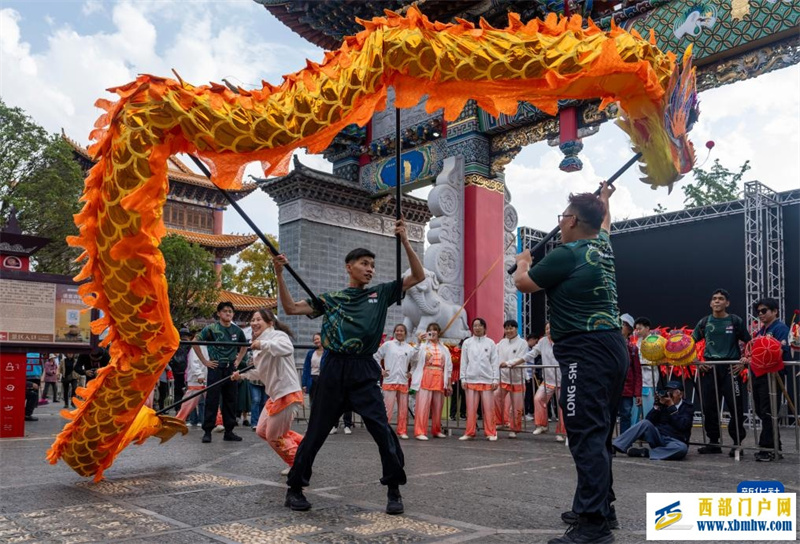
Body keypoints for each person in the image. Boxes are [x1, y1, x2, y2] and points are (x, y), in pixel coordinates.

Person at [275, 218, 424, 515]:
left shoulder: (380, 294)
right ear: (349, 267)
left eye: (372, 265)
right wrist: (278, 273)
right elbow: (291, 308)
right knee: (316, 430)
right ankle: (295, 488)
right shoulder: (331, 300)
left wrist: (405, 240)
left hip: (363, 369)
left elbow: (417, 276)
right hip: (333, 368)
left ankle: (394, 490)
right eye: (364, 263)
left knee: (382, 430)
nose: (370, 269)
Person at [514, 182, 627, 544]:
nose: (560, 223)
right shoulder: (601, 246)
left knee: (585, 434)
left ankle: (592, 524)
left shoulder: (568, 253)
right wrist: (605, 200)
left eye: (563, 217)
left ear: (573, 220)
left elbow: (524, 284)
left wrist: (522, 261)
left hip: (585, 350)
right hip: (610, 346)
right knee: (599, 431)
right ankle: (600, 507)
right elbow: (606, 224)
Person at [233, 309, 304, 476]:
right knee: (261, 431)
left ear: (270, 323)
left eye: (259, 320)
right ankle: (304, 445)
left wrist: (263, 344)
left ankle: (298, 464)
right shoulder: (258, 344)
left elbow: (287, 349)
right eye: (253, 319)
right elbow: (260, 372)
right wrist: (242, 375)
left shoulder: (278, 336)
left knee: (273, 436)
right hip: (275, 395)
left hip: (287, 392)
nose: (254, 323)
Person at [691, 288, 751, 456]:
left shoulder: (735, 321)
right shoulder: (704, 322)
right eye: (714, 298)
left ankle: (737, 443)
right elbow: (688, 343)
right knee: (709, 407)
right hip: (710, 369)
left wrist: (745, 361)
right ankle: (713, 442)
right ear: (710, 303)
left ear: (727, 303)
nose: (717, 301)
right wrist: (696, 361)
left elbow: (750, 343)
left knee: (735, 407)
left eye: (721, 298)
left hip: (731, 370)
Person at [193, 301, 248, 444]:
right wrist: (205, 361)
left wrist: (238, 360)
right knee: (212, 399)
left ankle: (229, 431)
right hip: (215, 367)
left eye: (230, 311)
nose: (228, 313)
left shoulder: (237, 331)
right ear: (218, 313)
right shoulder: (211, 329)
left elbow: (244, 346)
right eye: (225, 311)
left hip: (231, 368)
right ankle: (207, 431)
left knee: (231, 399)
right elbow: (194, 341)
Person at [745, 297, 791, 462]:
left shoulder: (781, 329)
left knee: (768, 412)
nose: (761, 314)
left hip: (772, 377)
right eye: (758, 312)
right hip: (758, 376)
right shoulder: (760, 331)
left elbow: (783, 350)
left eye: (764, 311)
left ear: (775, 311)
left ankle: (768, 449)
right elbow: (752, 352)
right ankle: (775, 446)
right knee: (761, 410)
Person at [612, 381, 693, 460]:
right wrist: (657, 406)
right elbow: (648, 421)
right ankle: (615, 446)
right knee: (644, 423)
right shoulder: (663, 404)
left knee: (682, 449)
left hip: (675, 441)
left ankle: (646, 453)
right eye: (667, 391)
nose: (669, 394)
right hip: (659, 437)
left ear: (680, 394)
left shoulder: (687, 407)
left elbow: (682, 426)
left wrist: (671, 407)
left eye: (672, 392)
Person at [521, 323, 565, 441]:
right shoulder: (542, 341)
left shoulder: (563, 339)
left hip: (563, 379)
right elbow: (532, 353)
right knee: (538, 398)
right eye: (546, 328)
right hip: (548, 379)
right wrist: (517, 361)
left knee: (562, 406)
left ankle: (561, 432)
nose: (548, 330)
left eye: (551, 328)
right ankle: (542, 425)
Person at [459, 317, 499, 442]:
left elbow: (494, 362)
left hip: (487, 380)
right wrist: (463, 378)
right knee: (470, 409)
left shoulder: (491, 343)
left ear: (484, 328)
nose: (477, 328)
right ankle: (469, 432)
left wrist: (495, 379)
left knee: (488, 408)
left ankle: (491, 432)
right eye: (474, 326)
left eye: (479, 325)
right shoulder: (467, 343)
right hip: (471, 379)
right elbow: (464, 361)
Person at [375, 324, 418, 439]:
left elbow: (415, 362)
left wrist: (411, 372)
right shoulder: (388, 345)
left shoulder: (409, 348)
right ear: (394, 332)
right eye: (397, 330)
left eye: (402, 331)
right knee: (387, 408)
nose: (399, 333)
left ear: (405, 333)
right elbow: (376, 356)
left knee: (403, 409)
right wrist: (381, 370)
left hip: (403, 381)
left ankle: (402, 431)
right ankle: (385, 430)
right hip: (389, 380)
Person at [410, 323, 452, 440]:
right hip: (426, 376)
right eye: (430, 330)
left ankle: (436, 430)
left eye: (435, 330)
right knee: (422, 405)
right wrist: (418, 342)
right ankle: (420, 431)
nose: (432, 332)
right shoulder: (422, 347)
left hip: (439, 376)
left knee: (438, 406)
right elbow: (413, 358)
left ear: (439, 333)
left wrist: (448, 384)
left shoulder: (445, 349)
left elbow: (448, 367)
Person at [494, 320, 528, 439]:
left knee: (516, 406)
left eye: (511, 328)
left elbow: (522, 358)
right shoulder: (502, 342)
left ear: (516, 328)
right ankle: (500, 422)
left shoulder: (523, 343)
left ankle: (514, 428)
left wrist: (507, 363)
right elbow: (493, 351)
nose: (508, 331)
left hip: (517, 379)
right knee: (496, 397)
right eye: (506, 328)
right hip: (504, 378)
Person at [617, 314, 642, 434]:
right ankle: (606, 444)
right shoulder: (609, 345)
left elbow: (637, 371)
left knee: (626, 415)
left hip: (626, 389)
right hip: (611, 388)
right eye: (620, 323)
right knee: (608, 415)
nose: (621, 326)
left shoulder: (632, 348)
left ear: (629, 330)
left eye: (624, 324)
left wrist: (638, 393)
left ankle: (623, 442)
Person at [632, 317, 659, 424]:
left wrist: (640, 364)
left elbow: (654, 360)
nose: (637, 331)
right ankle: (633, 434)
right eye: (636, 329)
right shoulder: (638, 341)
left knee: (648, 413)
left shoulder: (655, 341)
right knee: (634, 413)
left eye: (640, 328)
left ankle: (649, 435)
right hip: (638, 382)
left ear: (647, 328)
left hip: (649, 381)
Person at [177, 336, 208, 425]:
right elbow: (194, 362)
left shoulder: (204, 346)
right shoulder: (198, 347)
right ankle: (179, 419)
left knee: (210, 400)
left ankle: (218, 421)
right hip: (198, 379)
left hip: (202, 378)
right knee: (189, 401)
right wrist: (199, 374)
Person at [169, 329, 192, 410]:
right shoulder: (189, 345)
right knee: (188, 391)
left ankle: (177, 408)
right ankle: (185, 410)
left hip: (176, 370)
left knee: (177, 390)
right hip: (187, 371)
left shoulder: (175, 344)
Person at [302, 333, 324, 406]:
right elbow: (306, 368)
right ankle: (313, 417)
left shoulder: (328, 352)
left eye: (318, 339)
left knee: (323, 401)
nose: (316, 341)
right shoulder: (310, 353)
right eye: (314, 340)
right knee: (313, 402)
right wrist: (304, 384)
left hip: (323, 379)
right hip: (312, 379)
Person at [523, 333, 539, 420]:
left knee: (531, 394)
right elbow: (524, 361)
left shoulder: (530, 348)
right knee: (527, 395)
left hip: (531, 375)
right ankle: (525, 413)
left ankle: (529, 412)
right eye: (534, 342)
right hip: (527, 375)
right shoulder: (526, 348)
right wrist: (527, 376)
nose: (535, 344)